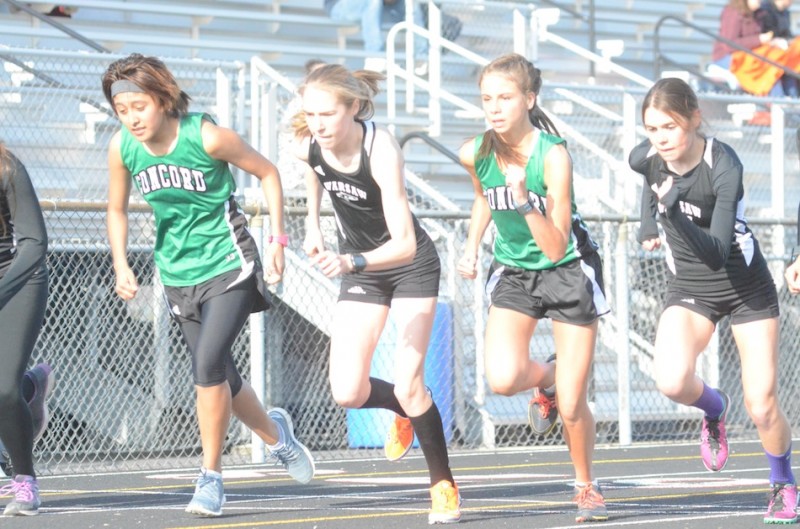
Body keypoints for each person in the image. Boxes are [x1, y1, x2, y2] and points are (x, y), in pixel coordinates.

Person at [101, 53, 315, 518]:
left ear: (162, 97)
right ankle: (277, 436)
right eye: (122, 110)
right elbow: (116, 209)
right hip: (178, 273)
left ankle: (211, 478)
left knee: (208, 363)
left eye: (139, 106)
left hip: (228, 264)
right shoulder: (123, 149)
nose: (132, 118)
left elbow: (269, 174)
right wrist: (121, 263)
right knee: (223, 376)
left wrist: (278, 241)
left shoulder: (207, 136)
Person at [291, 63, 461, 524]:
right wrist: (312, 226)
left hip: (409, 266)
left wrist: (350, 261)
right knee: (347, 390)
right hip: (362, 269)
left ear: (353, 107)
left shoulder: (379, 148)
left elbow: (405, 243)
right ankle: (401, 409)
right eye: (310, 114)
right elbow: (314, 175)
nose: (318, 124)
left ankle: (442, 484)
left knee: (411, 382)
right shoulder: (309, 144)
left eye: (327, 114)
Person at [629, 77, 796, 524]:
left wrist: (669, 215)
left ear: (695, 118)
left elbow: (718, 250)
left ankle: (782, 483)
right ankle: (715, 408)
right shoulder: (646, 156)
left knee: (761, 405)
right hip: (690, 288)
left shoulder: (723, 165)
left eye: (670, 127)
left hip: (745, 287)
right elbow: (647, 177)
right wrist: (648, 222)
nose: (660, 139)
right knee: (671, 381)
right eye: (652, 129)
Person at [457, 53, 610, 524]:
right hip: (515, 271)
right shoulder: (475, 151)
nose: (495, 108)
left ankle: (586, 487)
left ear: (529, 99)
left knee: (571, 402)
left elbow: (554, 242)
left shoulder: (554, 155)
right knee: (502, 379)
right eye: (487, 99)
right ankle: (545, 377)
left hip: (566, 268)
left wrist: (524, 202)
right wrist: (471, 244)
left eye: (505, 97)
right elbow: (484, 195)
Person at [0, 145, 51, 516]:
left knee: (2, 387)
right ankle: (30, 389)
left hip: (18, 280)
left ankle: (25, 483)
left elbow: (34, 243)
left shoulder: (7, 166)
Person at [711, 0, 800, 97]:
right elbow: (729, 44)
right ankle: (777, 101)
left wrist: (771, 42)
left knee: (780, 66)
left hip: (752, 56)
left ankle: (789, 102)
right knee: (769, 69)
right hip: (729, 57)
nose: (760, 1)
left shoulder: (759, 13)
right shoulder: (733, 12)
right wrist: (759, 39)